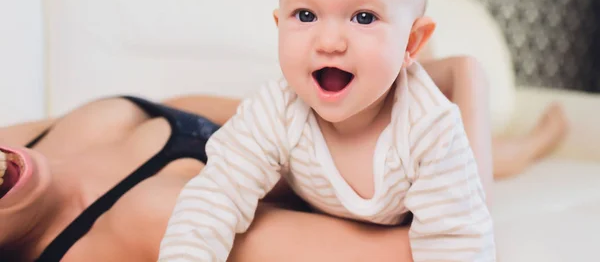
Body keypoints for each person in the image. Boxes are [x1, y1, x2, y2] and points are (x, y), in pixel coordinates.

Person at [159, 0, 495, 261]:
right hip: (316, 189)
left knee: (478, 177)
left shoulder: (429, 128)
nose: (330, 41)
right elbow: (214, 198)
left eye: (363, 17)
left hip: (420, 186)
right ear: (279, 25)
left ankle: (522, 137)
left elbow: (458, 242)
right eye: (305, 15)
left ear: (411, 42)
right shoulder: (276, 110)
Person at [0, 55, 567, 262]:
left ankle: (513, 147)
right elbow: (440, 250)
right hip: (316, 162)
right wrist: (467, 82)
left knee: (441, 78)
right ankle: (517, 151)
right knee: (455, 93)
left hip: (253, 118)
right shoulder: (120, 231)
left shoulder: (21, 140)